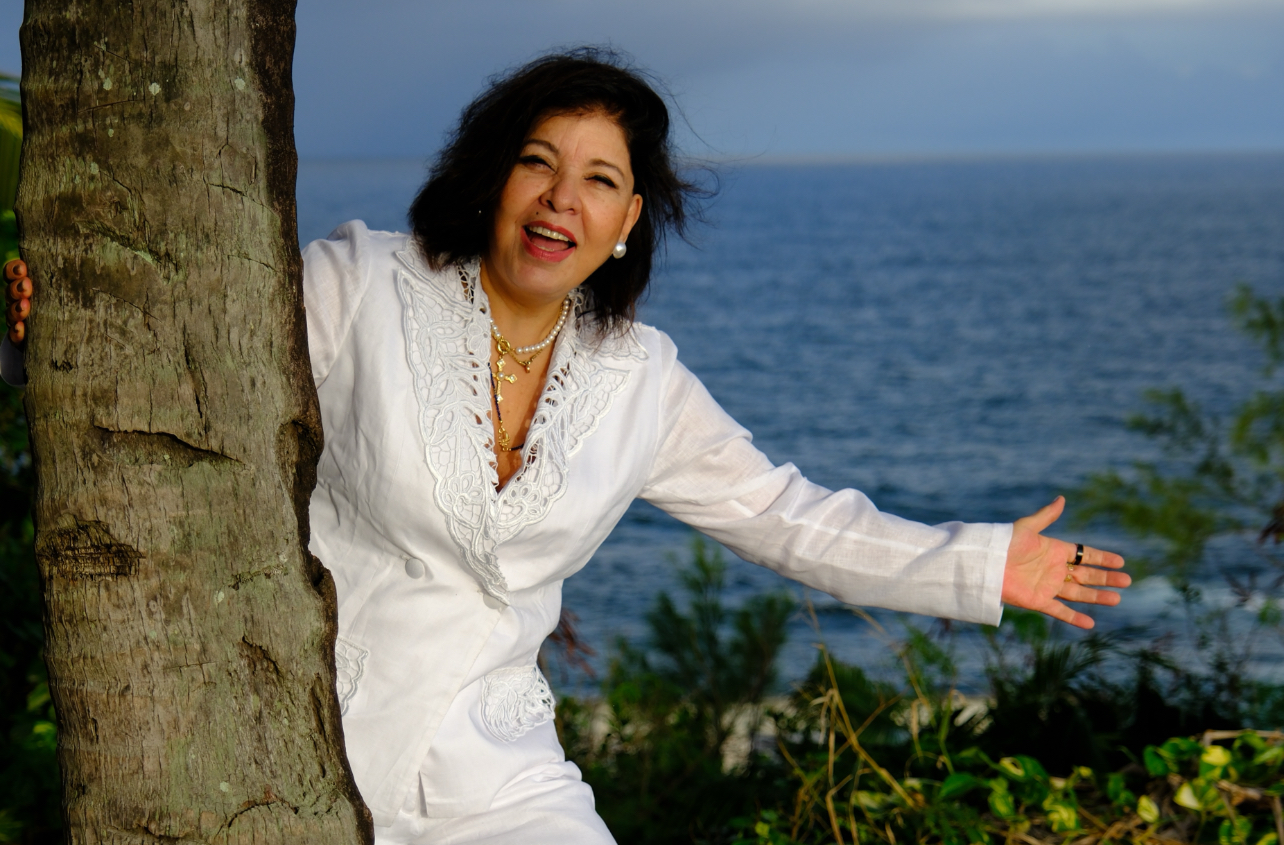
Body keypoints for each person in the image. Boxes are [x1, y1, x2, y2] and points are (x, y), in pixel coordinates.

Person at [2, 48, 1129, 845]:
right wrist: (41, 332)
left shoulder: (641, 379)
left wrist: (980, 563)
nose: (561, 200)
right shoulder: (360, 284)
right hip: (301, 740)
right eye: (538, 162)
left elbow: (785, 514)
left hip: (498, 771)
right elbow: (192, 361)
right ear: (492, 172)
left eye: (600, 180)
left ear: (629, 219)